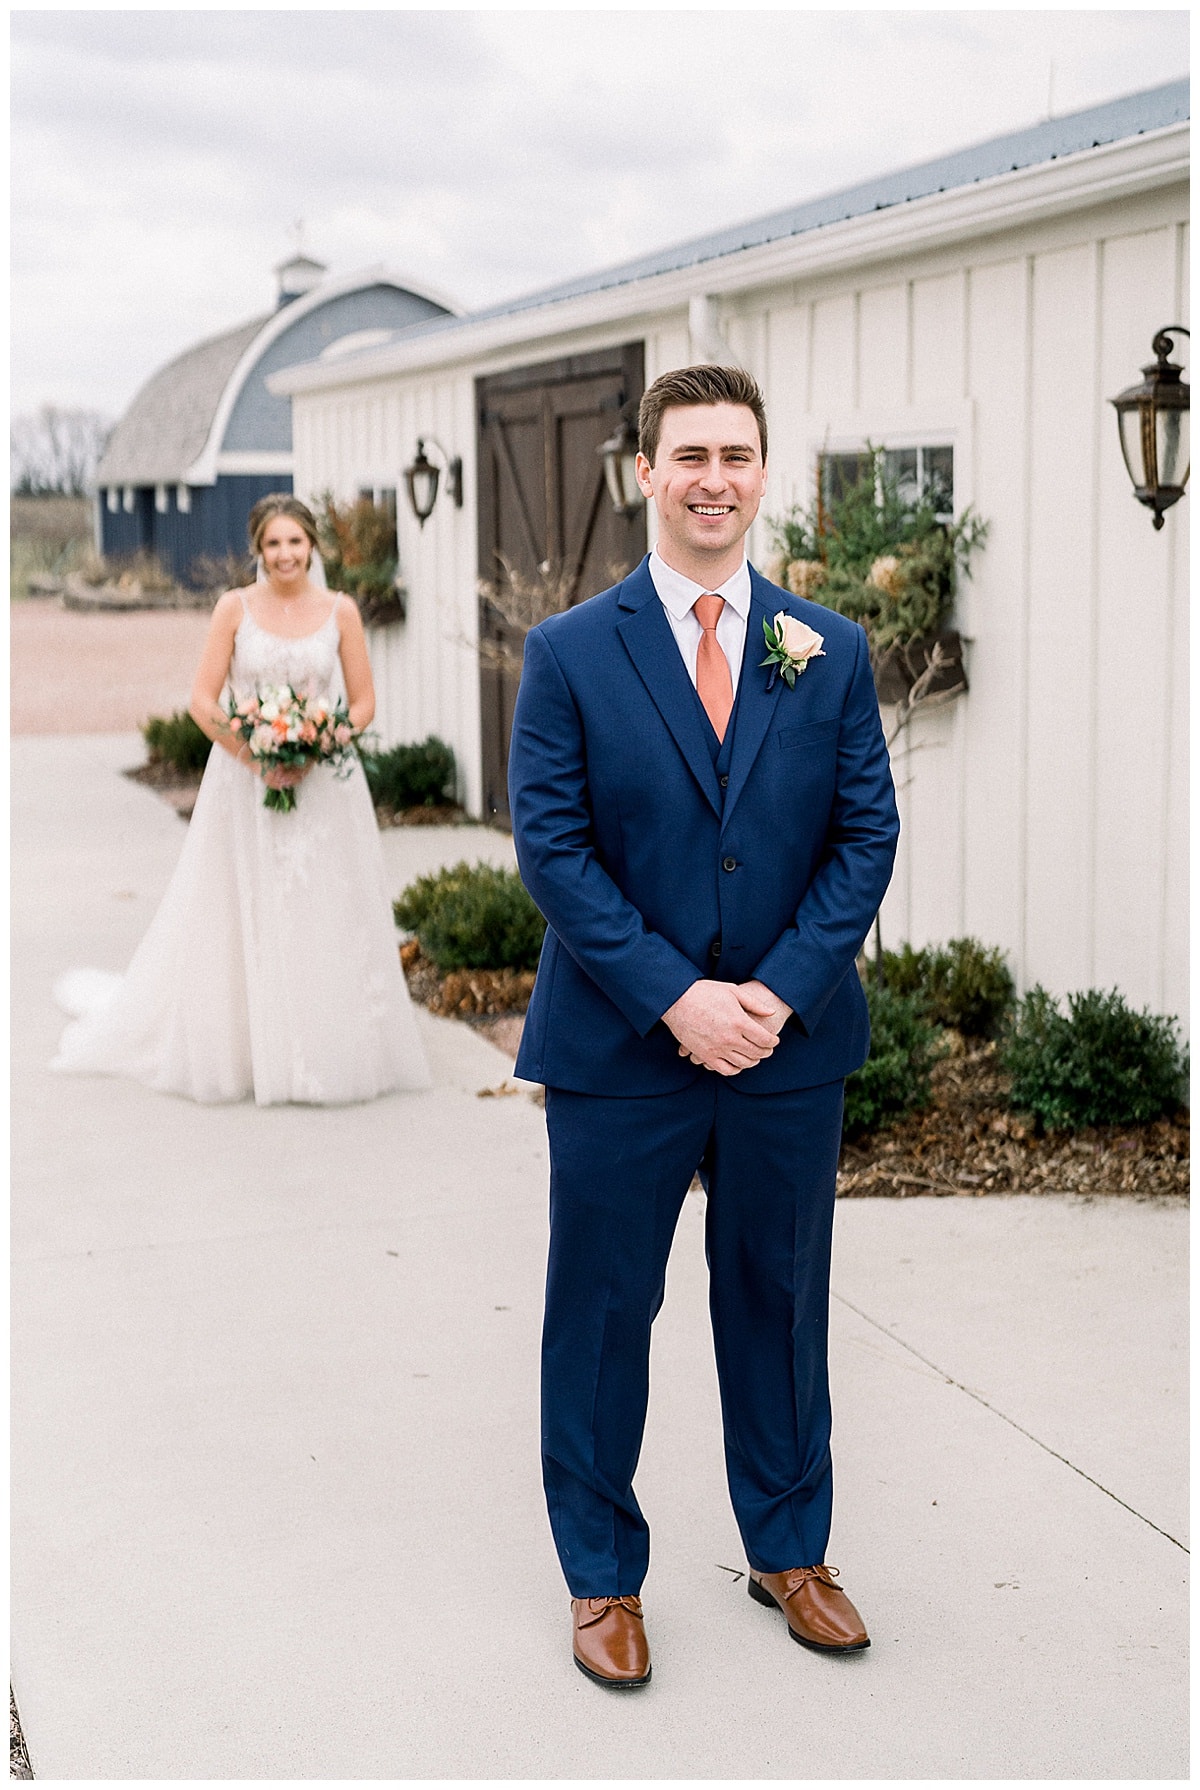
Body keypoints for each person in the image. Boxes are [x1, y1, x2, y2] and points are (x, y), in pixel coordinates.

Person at [508, 364, 900, 1687]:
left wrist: (777, 993)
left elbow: (866, 837)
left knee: (781, 1301)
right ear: (646, 472)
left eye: (736, 453)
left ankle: (792, 1549)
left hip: (790, 1049)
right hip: (623, 1049)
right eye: (690, 454)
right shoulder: (568, 651)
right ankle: (602, 1576)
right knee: (606, 1309)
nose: (714, 477)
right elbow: (553, 850)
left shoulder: (828, 649)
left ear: (763, 473)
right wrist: (677, 996)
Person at [52, 494, 431, 1106]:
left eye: (296, 542)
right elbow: (204, 700)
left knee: (323, 908)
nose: (285, 554)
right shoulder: (234, 608)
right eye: (273, 543)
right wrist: (253, 753)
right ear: (258, 549)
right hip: (242, 783)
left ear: (313, 547)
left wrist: (317, 742)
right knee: (242, 904)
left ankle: (322, 1050)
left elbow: (362, 703)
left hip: (325, 787)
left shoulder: (341, 611)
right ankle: (251, 1050)